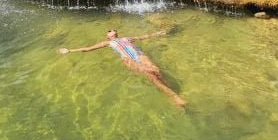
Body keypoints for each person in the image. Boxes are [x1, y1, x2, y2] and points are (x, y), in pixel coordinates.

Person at [58, 29, 186, 107]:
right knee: (150, 73)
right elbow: (88, 49)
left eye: (113, 30)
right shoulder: (108, 43)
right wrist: (69, 50)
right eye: (109, 31)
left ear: (117, 33)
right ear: (108, 37)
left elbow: (144, 36)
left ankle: (169, 92)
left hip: (139, 55)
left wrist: (158, 34)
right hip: (128, 60)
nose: (112, 30)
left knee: (156, 71)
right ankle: (174, 97)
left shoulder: (126, 38)